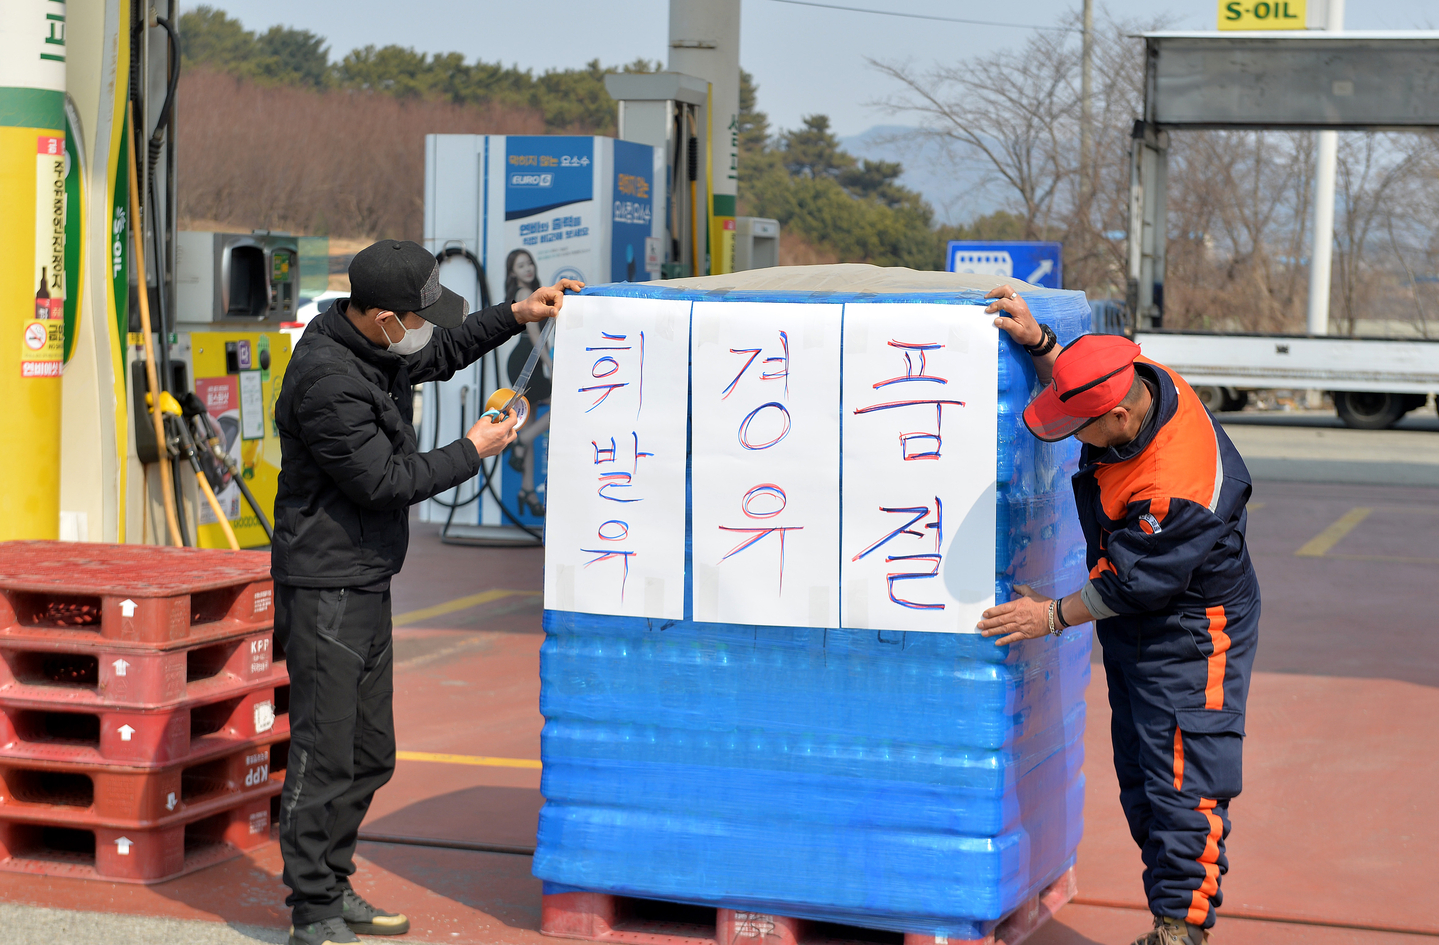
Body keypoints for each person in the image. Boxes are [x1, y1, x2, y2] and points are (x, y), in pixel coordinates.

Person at [270, 239, 581, 945]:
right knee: (325, 749)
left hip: (364, 575)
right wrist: (475, 449)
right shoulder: (327, 379)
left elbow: (437, 354)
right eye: (413, 316)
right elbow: (384, 481)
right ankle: (311, 908)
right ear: (382, 316)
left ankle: (334, 881)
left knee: (370, 750)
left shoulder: (371, 341)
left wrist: (517, 312)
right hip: (325, 584)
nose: (421, 327)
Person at [977, 285, 1259, 945]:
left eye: (1083, 430)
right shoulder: (1139, 382)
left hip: (1193, 630)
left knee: (1183, 778)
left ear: (1123, 423)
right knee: (1139, 769)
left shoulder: (1175, 488)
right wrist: (1044, 345)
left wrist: (1046, 616)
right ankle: (1169, 901)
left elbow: (1132, 584)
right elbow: (1086, 385)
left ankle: (1178, 929)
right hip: (1142, 613)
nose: (1077, 439)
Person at [503, 249, 551, 516]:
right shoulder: (524, 295)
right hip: (527, 360)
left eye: (529, 262)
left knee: (530, 421)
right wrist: (550, 364)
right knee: (560, 403)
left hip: (527, 360)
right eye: (521, 265)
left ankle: (527, 489)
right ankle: (521, 442)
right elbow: (535, 334)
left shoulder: (533, 293)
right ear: (513, 272)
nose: (528, 268)